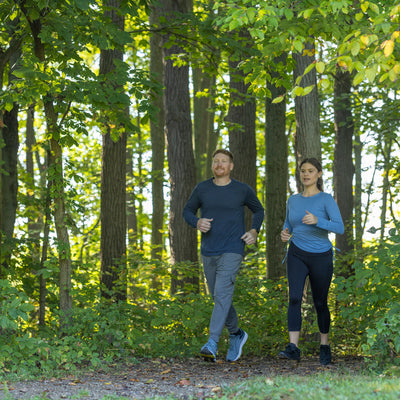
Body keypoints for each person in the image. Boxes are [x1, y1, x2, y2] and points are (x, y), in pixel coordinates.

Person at [183, 149, 264, 362]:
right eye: (216, 161)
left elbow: (259, 211)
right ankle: (237, 333)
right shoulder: (202, 189)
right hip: (209, 250)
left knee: (221, 294)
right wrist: (197, 222)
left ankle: (212, 342)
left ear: (231, 166)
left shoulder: (241, 190)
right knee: (219, 296)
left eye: (224, 161)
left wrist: (254, 230)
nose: (219, 164)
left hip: (233, 248)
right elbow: (187, 211)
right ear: (212, 165)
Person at [279, 158, 344, 365]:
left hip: (321, 255)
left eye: (311, 171)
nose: (306, 174)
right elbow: (289, 223)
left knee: (320, 302)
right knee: (295, 299)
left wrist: (318, 221)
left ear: (319, 174)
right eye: (303, 171)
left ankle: (324, 345)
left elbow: (339, 227)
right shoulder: (293, 200)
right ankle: (293, 348)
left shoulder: (326, 199)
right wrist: (285, 232)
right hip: (296, 252)